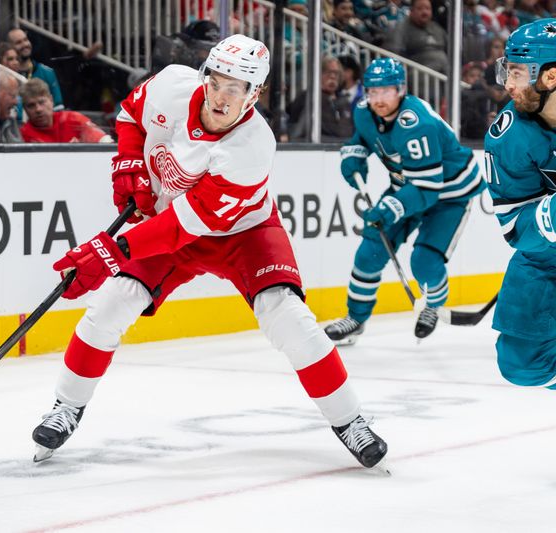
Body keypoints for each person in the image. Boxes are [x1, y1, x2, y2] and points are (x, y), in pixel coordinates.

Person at [30, 34, 388, 470]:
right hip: (166, 223)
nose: (221, 96)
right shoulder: (171, 86)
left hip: (243, 233)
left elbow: (186, 225)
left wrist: (111, 251)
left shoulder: (253, 146)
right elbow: (130, 116)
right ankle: (66, 407)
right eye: (216, 81)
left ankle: (350, 421)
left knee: (287, 317)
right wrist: (128, 165)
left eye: (235, 88)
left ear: (254, 95)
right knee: (111, 305)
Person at [324, 58, 485, 345]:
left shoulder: (416, 123)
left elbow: (427, 189)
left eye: (386, 92)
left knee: (424, 262)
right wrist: (354, 154)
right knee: (369, 253)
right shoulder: (365, 111)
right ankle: (356, 320)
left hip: (449, 193)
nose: (378, 99)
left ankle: (433, 305)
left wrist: (390, 208)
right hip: (408, 185)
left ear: (401, 90)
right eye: (373, 92)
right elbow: (364, 137)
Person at [483, 19, 556, 390]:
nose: (508, 84)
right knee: (521, 363)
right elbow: (514, 226)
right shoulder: (508, 135)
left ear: (551, 76)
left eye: (516, 72)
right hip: (546, 256)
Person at [20, 78, 111, 143]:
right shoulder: (23, 135)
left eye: (42, 102)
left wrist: (84, 149)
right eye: (31, 105)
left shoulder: (73, 119)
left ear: (51, 100)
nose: (38, 109)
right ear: (25, 109)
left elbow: (106, 142)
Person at [288, 55, 354, 141]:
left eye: (336, 73)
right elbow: (296, 133)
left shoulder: (344, 101)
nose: (333, 77)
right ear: (319, 74)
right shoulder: (307, 98)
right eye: (329, 72)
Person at [384, 0, 448, 74]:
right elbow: (393, 53)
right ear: (412, 11)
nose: (425, 12)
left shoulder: (437, 28)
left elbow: (450, 49)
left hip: (445, 74)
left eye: (427, 8)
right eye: (420, 8)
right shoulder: (402, 28)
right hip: (419, 76)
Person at [7, 28, 64, 110]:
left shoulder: (47, 72)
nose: (25, 44)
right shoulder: (6, 75)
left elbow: (58, 107)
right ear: (10, 47)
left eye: (25, 40)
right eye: (18, 42)